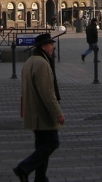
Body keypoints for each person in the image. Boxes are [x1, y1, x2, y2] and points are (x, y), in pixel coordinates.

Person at [13, 34, 64, 182]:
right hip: (42, 112)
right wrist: (57, 112)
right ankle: (24, 168)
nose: (53, 47)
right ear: (43, 46)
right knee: (52, 143)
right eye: (50, 44)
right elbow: (47, 92)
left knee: (41, 146)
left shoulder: (30, 60)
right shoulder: (42, 63)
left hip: (34, 110)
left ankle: (40, 178)